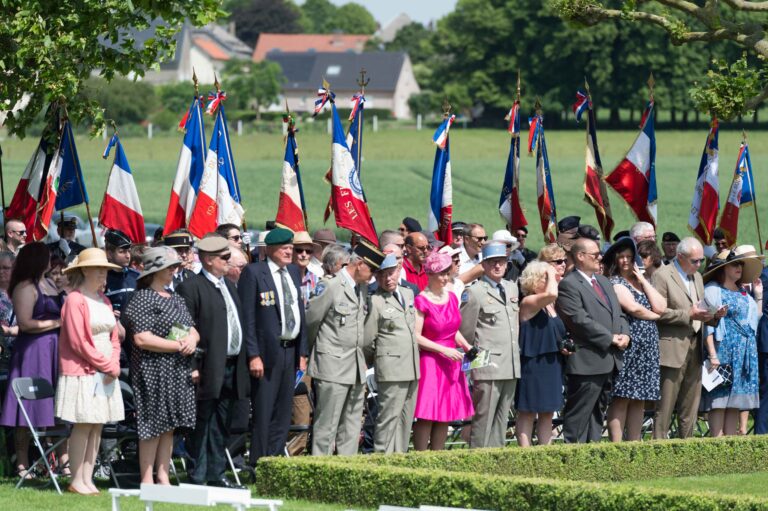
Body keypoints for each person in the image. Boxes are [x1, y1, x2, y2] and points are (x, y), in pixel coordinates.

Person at [122, 246, 199, 485]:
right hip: (152, 370)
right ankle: (147, 478)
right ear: (155, 270)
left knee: (170, 426)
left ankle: (163, 476)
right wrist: (178, 346)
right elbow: (141, 338)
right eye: (170, 267)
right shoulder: (142, 298)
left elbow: (192, 328)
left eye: (175, 267)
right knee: (152, 425)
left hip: (177, 370)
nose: (174, 271)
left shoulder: (175, 297)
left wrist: (191, 340)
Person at [177, 236, 248, 487]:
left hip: (231, 365)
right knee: (202, 422)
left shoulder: (227, 285)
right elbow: (185, 329)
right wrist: (193, 367)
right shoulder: (192, 286)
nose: (229, 262)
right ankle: (198, 475)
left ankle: (216, 474)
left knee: (222, 422)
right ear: (208, 260)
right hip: (207, 367)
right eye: (224, 258)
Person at [55, 248, 123, 495]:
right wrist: (106, 365)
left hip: (105, 370)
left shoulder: (104, 300)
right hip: (84, 369)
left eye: (105, 269)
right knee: (84, 424)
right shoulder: (75, 300)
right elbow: (78, 342)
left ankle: (88, 477)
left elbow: (114, 337)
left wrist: (113, 362)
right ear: (84, 270)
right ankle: (76, 479)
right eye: (98, 268)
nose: (103, 273)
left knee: (97, 425)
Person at [307, 240, 384, 456]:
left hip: (355, 366)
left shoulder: (361, 288)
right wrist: (316, 353)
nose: (373, 276)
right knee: (327, 425)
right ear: (359, 263)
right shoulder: (331, 286)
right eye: (372, 269)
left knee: (351, 426)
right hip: (332, 364)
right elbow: (311, 322)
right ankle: (320, 473)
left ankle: (346, 471)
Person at [239, 228, 308, 463]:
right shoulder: (254, 272)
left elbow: (299, 312)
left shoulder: (292, 272)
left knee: (283, 410)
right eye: (284, 247)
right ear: (269, 249)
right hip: (267, 352)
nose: (290, 251)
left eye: (291, 247)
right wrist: (253, 354)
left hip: (290, 350)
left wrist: (303, 351)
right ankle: (259, 461)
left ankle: (276, 459)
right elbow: (247, 317)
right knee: (264, 410)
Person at [556, 238, 630, 443]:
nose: (600, 258)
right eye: (595, 254)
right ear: (580, 257)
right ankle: (573, 459)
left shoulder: (604, 281)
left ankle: (592, 456)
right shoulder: (569, 284)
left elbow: (619, 314)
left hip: (609, 359)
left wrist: (625, 335)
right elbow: (579, 320)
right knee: (579, 416)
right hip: (587, 362)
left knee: (598, 413)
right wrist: (610, 338)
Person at [0, 242, 63, 478]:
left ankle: (60, 461)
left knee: (57, 404)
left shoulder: (48, 283)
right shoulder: (25, 287)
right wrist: (57, 323)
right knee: (26, 407)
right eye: (46, 256)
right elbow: (25, 324)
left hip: (55, 349)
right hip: (34, 351)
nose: (50, 260)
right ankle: (22, 464)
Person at [651, 237, 717, 439]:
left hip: (695, 345)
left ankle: (685, 451)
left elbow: (699, 308)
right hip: (672, 348)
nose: (699, 265)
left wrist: (713, 314)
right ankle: (658, 452)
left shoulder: (696, 277)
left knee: (691, 406)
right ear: (680, 257)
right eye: (694, 261)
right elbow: (657, 312)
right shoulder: (662, 276)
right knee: (665, 406)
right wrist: (688, 314)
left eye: (701, 261)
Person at [602, 237, 665, 442]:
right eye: (621, 257)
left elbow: (661, 305)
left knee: (639, 399)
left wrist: (644, 279)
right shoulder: (615, 282)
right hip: (630, 345)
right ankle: (617, 444)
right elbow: (634, 308)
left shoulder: (641, 282)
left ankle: (635, 442)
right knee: (623, 397)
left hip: (648, 346)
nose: (626, 261)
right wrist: (656, 317)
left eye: (629, 257)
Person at [412, 251, 474, 451]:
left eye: (447, 273)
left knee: (445, 413)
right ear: (429, 274)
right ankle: (420, 457)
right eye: (441, 274)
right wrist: (442, 350)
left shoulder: (451, 297)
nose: (445, 278)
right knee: (428, 413)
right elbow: (416, 336)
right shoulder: (421, 300)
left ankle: (438, 456)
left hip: (451, 360)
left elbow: (452, 329)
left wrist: (467, 346)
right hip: (431, 361)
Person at [460, 243, 520, 448]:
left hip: (510, 364)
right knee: (483, 419)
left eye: (501, 262)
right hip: (487, 365)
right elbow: (466, 332)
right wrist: (476, 364)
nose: (497, 266)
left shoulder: (512, 287)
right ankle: (478, 462)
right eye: (492, 262)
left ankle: (497, 463)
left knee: (502, 420)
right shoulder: (475, 292)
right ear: (483, 265)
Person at [702, 246, 763, 436]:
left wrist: (759, 296)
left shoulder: (743, 291)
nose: (739, 267)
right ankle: (716, 446)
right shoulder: (713, 290)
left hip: (745, 353)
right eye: (735, 264)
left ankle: (729, 448)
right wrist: (712, 355)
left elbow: (754, 320)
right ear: (724, 268)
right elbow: (708, 326)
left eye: (741, 264)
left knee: (734, 404)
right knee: (719, 402)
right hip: (724, 351)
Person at [364, 254, 419, 453]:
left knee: (405, 422)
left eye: (391, 273)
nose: (388, 279)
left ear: (399, 269)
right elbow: (368, 341)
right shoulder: (375, 301)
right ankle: (381, 463)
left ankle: (399, 462)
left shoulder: (408, 293)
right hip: (391, 369)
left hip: (412, 367)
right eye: (383, 275)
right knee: (387, 421)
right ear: (376, 277)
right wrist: (377, 362)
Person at [516, 258, 565, 447]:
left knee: (547, 411)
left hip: (551, 362)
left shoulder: (549, 305)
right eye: (545, 278)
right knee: (528, 411)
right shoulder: (529, 301)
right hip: (533, 364)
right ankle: (525, 452)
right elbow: (552, 292)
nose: (550, 280)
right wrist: (552, 272)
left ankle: (545, 451)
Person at [103, 229, 139, 367]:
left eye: (129, 251)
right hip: (113, 344)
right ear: (110, 253)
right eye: (122, 251)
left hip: (136, 344)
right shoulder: (102, 280)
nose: (128, 255)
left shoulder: (136, 277)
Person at [292, 231, 321, 306]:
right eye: (299, 250)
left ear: (311, 255)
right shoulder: (284, 277)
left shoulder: (316, 280)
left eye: (308, 251)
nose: (304, 255)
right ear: (291, 252)